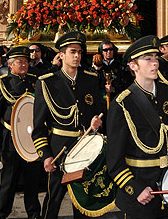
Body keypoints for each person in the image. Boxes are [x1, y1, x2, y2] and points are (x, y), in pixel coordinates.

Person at [107, 35, 168, 218]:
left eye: (155, 58)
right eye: (147, 59)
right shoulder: (122, 104)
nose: (154, 63)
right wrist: (135, 189)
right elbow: (114, 161)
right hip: (140, 186)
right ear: (133, 66)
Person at [32, 31, 104, 219]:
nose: (77, 56)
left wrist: (97, 123)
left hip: (84, 148)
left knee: (83, 199)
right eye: (72, 52)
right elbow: (38, 126)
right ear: (61, 55)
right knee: (54, 199)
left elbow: (99, 111)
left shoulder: (90, 79)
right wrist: (46, 156)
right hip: (59, 149)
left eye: (79, 52)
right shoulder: (47, 83)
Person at [0, 46, 41, 219]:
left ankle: (34, 213)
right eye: (20, 62)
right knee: (8, 180)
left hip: (32, 139)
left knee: (32, 180)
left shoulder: (35, 81)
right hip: (10, 139)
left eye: (26, 61)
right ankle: (1, 213)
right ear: (10, 65)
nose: (24, 65)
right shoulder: (2, 82)